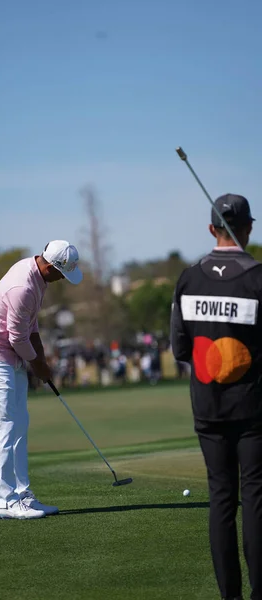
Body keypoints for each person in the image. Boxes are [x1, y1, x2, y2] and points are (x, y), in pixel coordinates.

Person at [170, 194, 262, 600]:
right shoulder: (258, 276)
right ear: (250, 228)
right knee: (256, 498)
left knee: (222, 499)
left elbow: (178, 349)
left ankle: (230, 597)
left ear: (211, 229)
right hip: (254, 407)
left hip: (207, 407)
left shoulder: (188, 278)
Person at [0, 240, 83, 520]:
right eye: (61, 274)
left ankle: (22, 495)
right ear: (49, 266)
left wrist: (41, 361)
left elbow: (31, 328)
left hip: (10, 358)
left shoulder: (37, 277)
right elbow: (17, 337)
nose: (61, 280)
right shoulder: (23, 286)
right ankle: (5, 502)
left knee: (20, 424)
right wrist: (38, 366)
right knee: (6, 426)